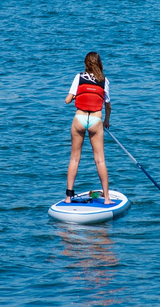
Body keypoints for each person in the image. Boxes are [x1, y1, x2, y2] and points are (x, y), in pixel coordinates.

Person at [63, 52, 114, 205]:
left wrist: (75, 96)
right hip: (95, 121)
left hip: (79, 119)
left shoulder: (79, 77)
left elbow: (67, 100)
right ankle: (106, 199)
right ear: (99, 64)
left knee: (74, 158)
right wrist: (106, 121)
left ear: (86, 64)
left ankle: (68, 197)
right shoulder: (104, 80)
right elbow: (108, 105)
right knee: (100, 160)